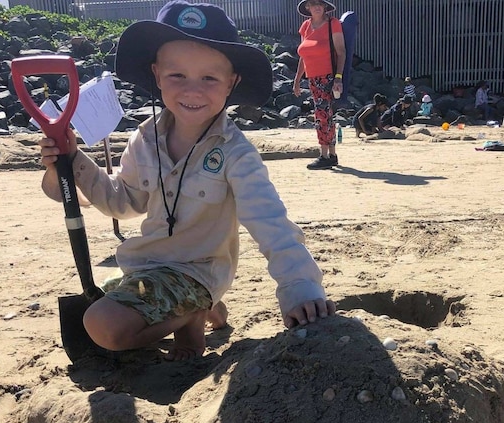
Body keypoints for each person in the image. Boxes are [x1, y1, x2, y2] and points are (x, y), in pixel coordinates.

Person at [37, 1, 335, 360]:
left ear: (231, 83)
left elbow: (271, 222)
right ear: (157, 75)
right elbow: (120, 201)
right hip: (148, 267)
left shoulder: (236, 154)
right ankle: (200, 311)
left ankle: (193, 313)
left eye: (209, 78)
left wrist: (299, 288)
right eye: (177, 75)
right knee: (99, 303)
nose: (192, 90)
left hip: (200, 271)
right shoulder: (144, 139)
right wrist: (72, 160)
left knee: (103, 325)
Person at [293, 0, 346, 169]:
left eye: (320, 4)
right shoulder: (305, 26)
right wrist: (297, 80)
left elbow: (341, 52)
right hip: (313, 78)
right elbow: (304, 55)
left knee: (322, 115)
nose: (316, 7)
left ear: (325, 7)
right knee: (326, 115)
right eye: (312, 3)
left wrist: (338, 77)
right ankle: (331, 155)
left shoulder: (333, 23)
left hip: (328, 77)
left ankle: (324, 155)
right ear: (307, 7)